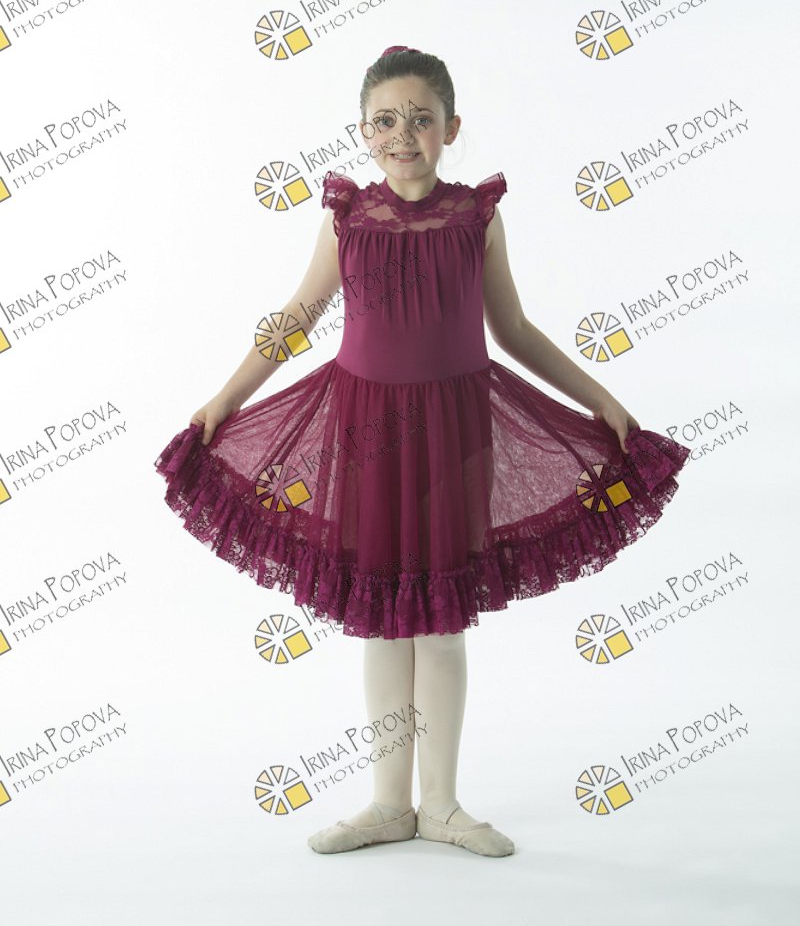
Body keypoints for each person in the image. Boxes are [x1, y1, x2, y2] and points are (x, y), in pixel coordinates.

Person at [153, 45, 690, 858]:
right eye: (385, 120)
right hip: (367, 433)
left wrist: (599, 398)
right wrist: (226, 397)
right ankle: (387, 803)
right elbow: (296, 316)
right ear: (362, 131)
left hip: (453, 433)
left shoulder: (477, 218)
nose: (402, 135)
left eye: (421, 119)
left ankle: (440, 804)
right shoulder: (346, 220)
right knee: (380, 622)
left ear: (451, 128)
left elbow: (514, 330)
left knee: (439, 624)